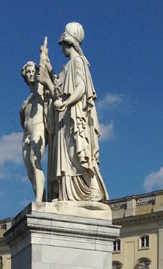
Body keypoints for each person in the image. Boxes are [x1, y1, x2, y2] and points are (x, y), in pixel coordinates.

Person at [38, 22, 108, 202]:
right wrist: (47, 71)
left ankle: (91, 188)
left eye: (62, 43)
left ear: (68, 41)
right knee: (67, 158)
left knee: (76, 152)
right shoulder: (67, 66)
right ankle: (65, 193)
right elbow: (58, 90)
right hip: (65, 118)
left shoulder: (78, 62)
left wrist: (66, 103)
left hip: (74, 115)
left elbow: (81, 88)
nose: (61, 48)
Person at [20, 61, 50, 202]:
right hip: (26, 134)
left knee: (35, 161)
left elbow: (53, 85)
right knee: (30, 172)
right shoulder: (28, 99)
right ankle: (42, 199)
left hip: (39, 129)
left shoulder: (42, 91)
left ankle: (38, 200)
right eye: (28, 72)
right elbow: (23, 122)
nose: (31, 74)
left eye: (32, 71)